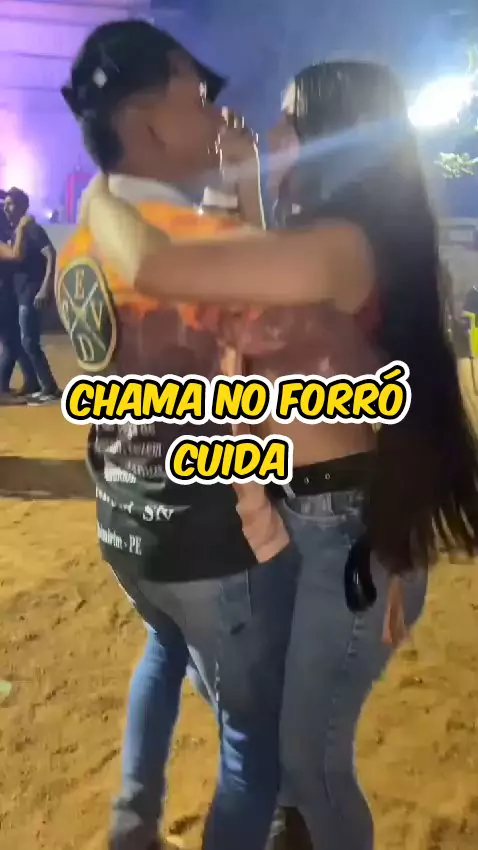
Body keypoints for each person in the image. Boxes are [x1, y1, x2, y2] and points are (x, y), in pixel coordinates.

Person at [80, 59, 478, 850]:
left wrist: (103, 186)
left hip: (350, 535)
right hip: (296, 519)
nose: (273, 126)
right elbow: (259, 287)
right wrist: (246, 181)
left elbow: (161, 265)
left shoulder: (343, 243)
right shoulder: (327, 237)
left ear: (337, 130)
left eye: (292, 115)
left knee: (310, 760)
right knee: (275, 745)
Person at [58, 20, 298, 850]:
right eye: (196, 97)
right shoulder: (191, 244)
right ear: (148, 121)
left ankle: (132, 820)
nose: (216, 114)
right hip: (211, 540)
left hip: (126, 521)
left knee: (163, 648)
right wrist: (256, 182)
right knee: (252, 747)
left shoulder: (87, 235)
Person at [0, 188, 61, 402]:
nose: (6, 208)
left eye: (11, 204)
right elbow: (15, 255)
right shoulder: (18, 231)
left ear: (23, 207)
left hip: (27, 294)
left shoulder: (31, 229)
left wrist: (46, 287)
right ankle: (39, 385)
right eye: (5, 204)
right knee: (19, 343)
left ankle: (46, 386)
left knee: (24, 342)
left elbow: (50, 253)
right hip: (17, 295)